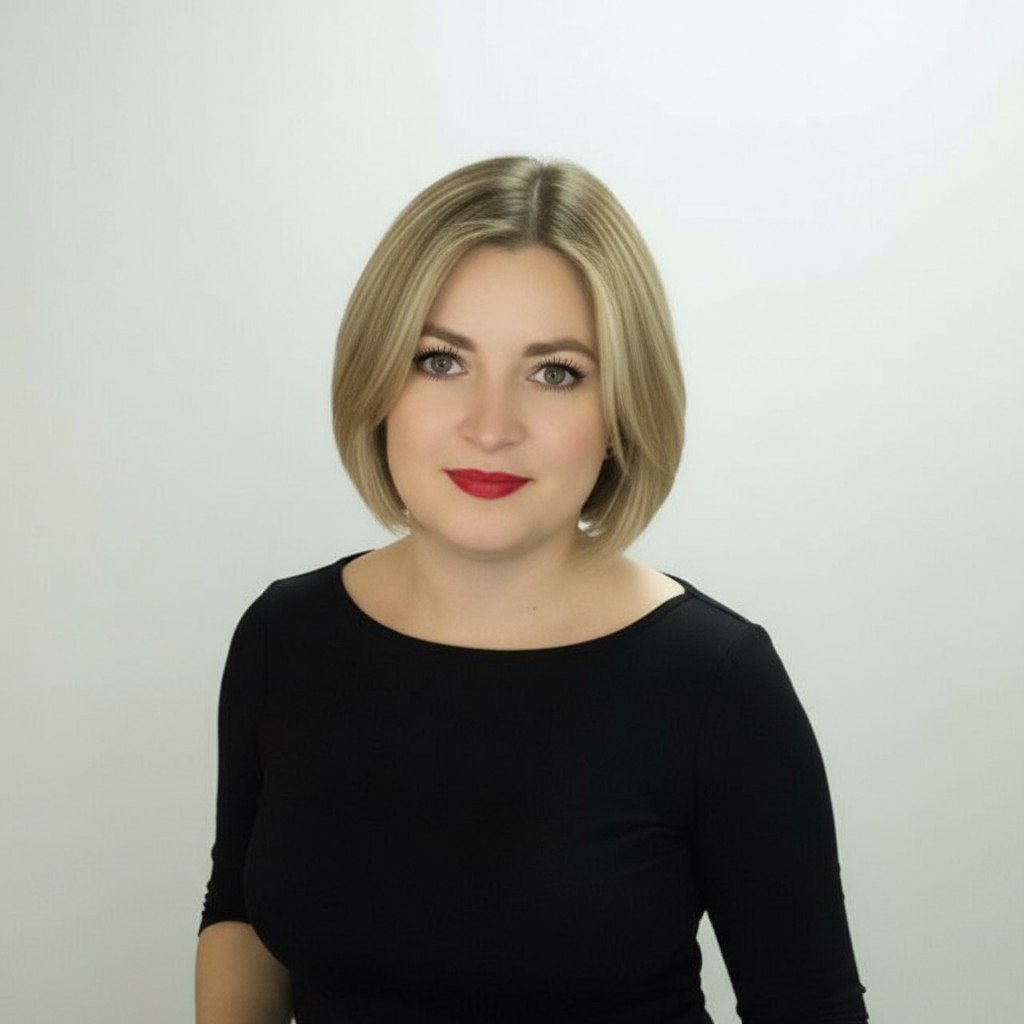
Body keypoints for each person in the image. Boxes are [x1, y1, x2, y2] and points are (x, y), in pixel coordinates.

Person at [196, 156, 868, 1024]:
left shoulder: (716, 681)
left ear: (621, 410)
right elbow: (240, 911)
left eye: (555, 373)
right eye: (441, 360)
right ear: (377, 382)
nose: (491, 426)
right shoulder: (286, 636)